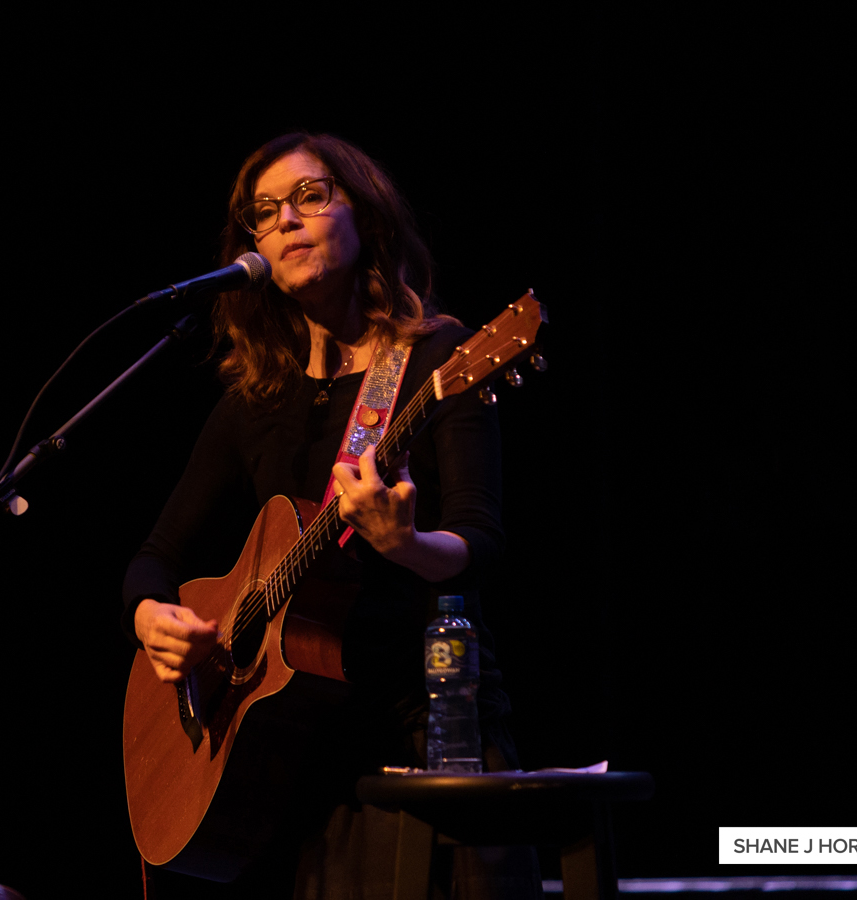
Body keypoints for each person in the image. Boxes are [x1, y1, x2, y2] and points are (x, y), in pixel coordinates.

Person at [122, 133, 539, 898]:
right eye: (265, 211)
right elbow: (156, 555)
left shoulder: (439, 360)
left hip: (427, 735)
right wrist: (152, 616)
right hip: (290, 770)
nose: (286, 220)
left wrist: (406, 544)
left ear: (367, 217)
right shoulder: (254, 400)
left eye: (311, 196)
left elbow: (481, 544)